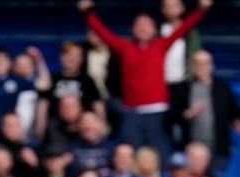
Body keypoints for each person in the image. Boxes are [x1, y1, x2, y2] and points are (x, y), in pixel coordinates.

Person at [79, 0, 210, 162]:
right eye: (138, 24)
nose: (142, 27)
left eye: (146, 25)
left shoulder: (161, 45)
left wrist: (201, 9)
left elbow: (183, 28)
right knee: (132, 155)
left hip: (158, 112)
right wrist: (88, 13)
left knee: (161, 155)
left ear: (155, 29)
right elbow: (102, 32)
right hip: (132, 113)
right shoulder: (124, 47)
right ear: (133, 29)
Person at [167, 50, 240, 166]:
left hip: (217, 147)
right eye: (197, 63)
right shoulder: (182, 89)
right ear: (191, 66)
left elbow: (234, 110)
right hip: (192, 148)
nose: (201, 67)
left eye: (205, 63)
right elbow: (171, 115)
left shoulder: (222, 88)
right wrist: (187, 114)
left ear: (211, 66)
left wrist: (237, 121)